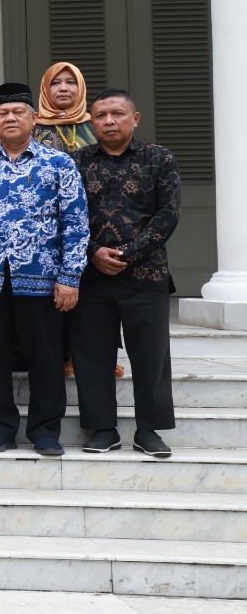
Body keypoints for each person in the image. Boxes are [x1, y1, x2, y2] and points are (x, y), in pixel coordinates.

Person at [0, 82, 89, 457]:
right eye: (3, 113)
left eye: (18, 112)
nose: (10, 118)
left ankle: (45, 430)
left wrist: (69, 276)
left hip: (43, 278)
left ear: (34, 118)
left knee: (44, 355)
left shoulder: (58, 164)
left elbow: (75, 223)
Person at [69, 89, 181, 458]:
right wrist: (93, 253)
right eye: (100, 115)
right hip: (91, 275)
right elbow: (65, 216)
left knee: (150, 356)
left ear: (135, 119)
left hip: (146, 274)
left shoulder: (159, 158)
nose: (109, 121)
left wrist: (129, 254)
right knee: (92, 356)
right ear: (91, 121)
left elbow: (168, 214)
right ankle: (102, 429)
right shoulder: (76, 162)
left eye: (117, 114)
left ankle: (149, 430)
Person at [33, 62, 97, 154]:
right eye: (55, 83)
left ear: (81, 88)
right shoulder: (32, 127)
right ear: (45, 89)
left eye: (70, 82)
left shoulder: (94, 124)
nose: (63, 88)